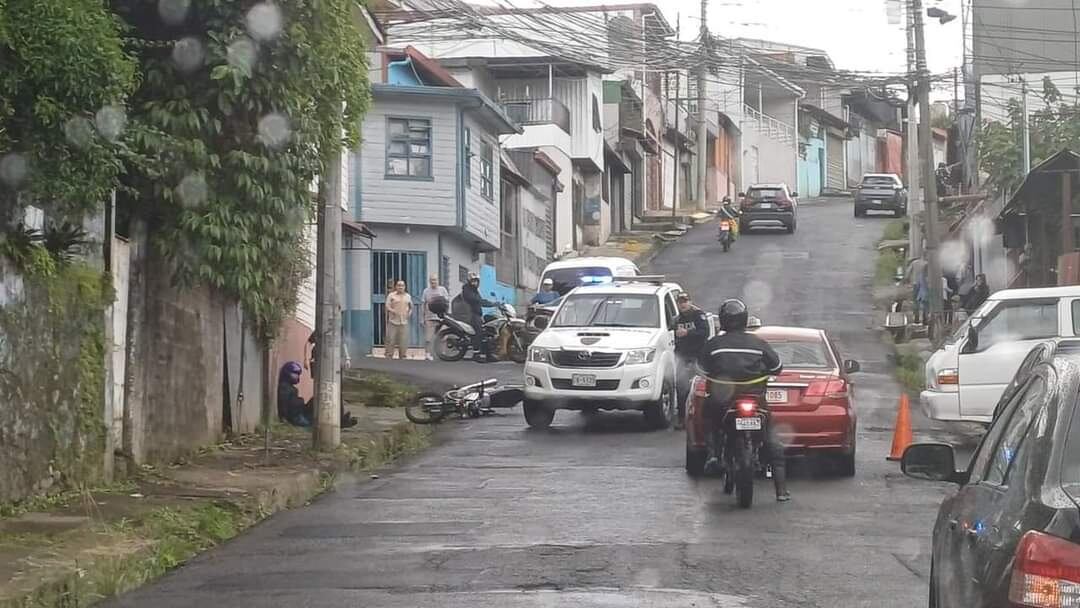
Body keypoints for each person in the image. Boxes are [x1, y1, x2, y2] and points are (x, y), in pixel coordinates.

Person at [697, 299, 789, 502]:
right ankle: (781, 489)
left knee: (709, 417)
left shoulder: (714, 344)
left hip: (723, 400)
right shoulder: (758, 343)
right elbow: (777, 367)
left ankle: (713, 454)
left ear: (723, 320)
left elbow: (701, 368)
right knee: (772, 438)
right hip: (755, 399)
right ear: (745, 320)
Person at [673, 293, 709, 430]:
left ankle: (703, 418)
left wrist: (687, 333)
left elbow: (705, 333)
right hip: (682, 357)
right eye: (680, 302)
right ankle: (681, 418)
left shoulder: (698, 316)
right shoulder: (676, 319)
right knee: (681, 388)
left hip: (698, 357)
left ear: (690, 302)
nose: (682, 304)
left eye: (684, 301)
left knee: (702, 388)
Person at [462, 272, 495, 362]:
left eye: (476, 281)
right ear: (469, 281)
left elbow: (481, 300)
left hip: (477, 314)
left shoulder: (474, 290)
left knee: (488, 330)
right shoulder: (467, 289)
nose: (475, 283)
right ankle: (476, 354)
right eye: (473, 281)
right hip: (470, 314)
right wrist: (489, 303)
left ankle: (489, 354)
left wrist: (494, 304)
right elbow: (477, 300)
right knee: (479, 331)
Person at [421, 275, 449, 361]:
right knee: (428, 338)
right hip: (430, 317)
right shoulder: (426, 291)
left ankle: (443, 353)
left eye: (435, 280)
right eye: (432, 280)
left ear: (438, 280)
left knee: (443, 336)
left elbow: (447, 303)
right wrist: (422, 318)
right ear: (429, 281)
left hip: (441, 317)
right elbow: (423, 305)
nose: (433, 282)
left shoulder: (442, 290)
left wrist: (447, 315)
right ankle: (427, 354)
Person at [277, 361, 313, 426]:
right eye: (295, 373)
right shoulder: (285, 388)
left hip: (298, 414)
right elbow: (284, 406)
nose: (297, 376)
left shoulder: (290, 388)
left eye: (298, 374)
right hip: (295, 417)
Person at [385, 280, 413, 360]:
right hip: (393, 322)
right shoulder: (391, 295)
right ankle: (389, 357)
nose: (400, 287)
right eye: (399, 285)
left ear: (405, 287)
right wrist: (392, 311)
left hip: (404, 322)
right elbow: (387, 306)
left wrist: (409, 313)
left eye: (402, 286)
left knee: (403, 341)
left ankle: (403, 357)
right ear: (396, 287)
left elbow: (411, 307)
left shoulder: (408, 296)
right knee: (390, 340)